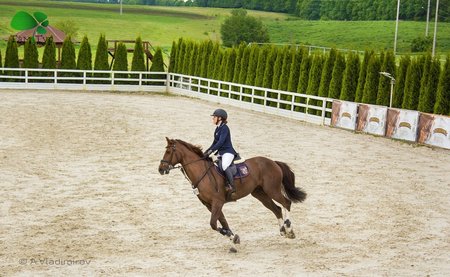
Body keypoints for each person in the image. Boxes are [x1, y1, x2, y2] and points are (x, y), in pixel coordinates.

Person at [203, 108, 237, 194]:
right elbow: (214, 143)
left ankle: (231, 186)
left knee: (224, 165)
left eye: (214, 117)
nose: (213, 119)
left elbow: (221, 142)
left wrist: (211, 151)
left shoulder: (225, 128)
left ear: (220, 118)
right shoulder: (217, 129)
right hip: (221, 153)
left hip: (228, 152)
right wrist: (206, 152)